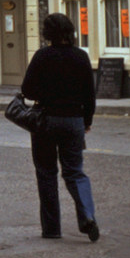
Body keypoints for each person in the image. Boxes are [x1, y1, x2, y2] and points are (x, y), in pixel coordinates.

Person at [22, 13, 99, 242]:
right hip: (74, 119)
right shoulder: (81, 57)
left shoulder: (42, 56)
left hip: (46, 119)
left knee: (46, 173)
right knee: (75, 171)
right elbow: (90, 95)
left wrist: (44, 94)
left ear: (47, 34)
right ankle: (87, 215)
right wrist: (87, 121)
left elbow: (27, 90)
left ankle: (52, 228)